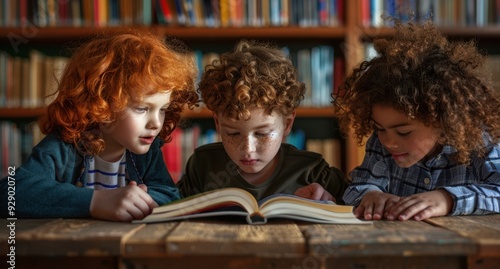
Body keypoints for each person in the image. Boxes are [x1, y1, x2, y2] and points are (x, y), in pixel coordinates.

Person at [0, 31, 199, 221]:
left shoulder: (147, 152)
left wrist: (137, 200)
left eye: (162, 109)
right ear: (100, 104)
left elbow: (170, 195)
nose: (156, 123)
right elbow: (9, 192)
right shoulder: (65, 146)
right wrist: (95, 201)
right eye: (141, 109)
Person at [332, 20, 500, 221]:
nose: (389, 141)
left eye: (404, 132)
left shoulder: (479, 141)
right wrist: (371, 194)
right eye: (379, 128)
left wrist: (447, 199)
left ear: (441, 120)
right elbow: (359, 185)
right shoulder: (381, 142)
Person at [177, 40, 348, 203]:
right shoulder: (202, 165)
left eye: (262, 133)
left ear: (287, 123)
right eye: (233, 133)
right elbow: (173, 210)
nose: (247, 149)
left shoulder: (314, 172)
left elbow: (357, 205)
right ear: (217, 123)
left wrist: (329, 201)